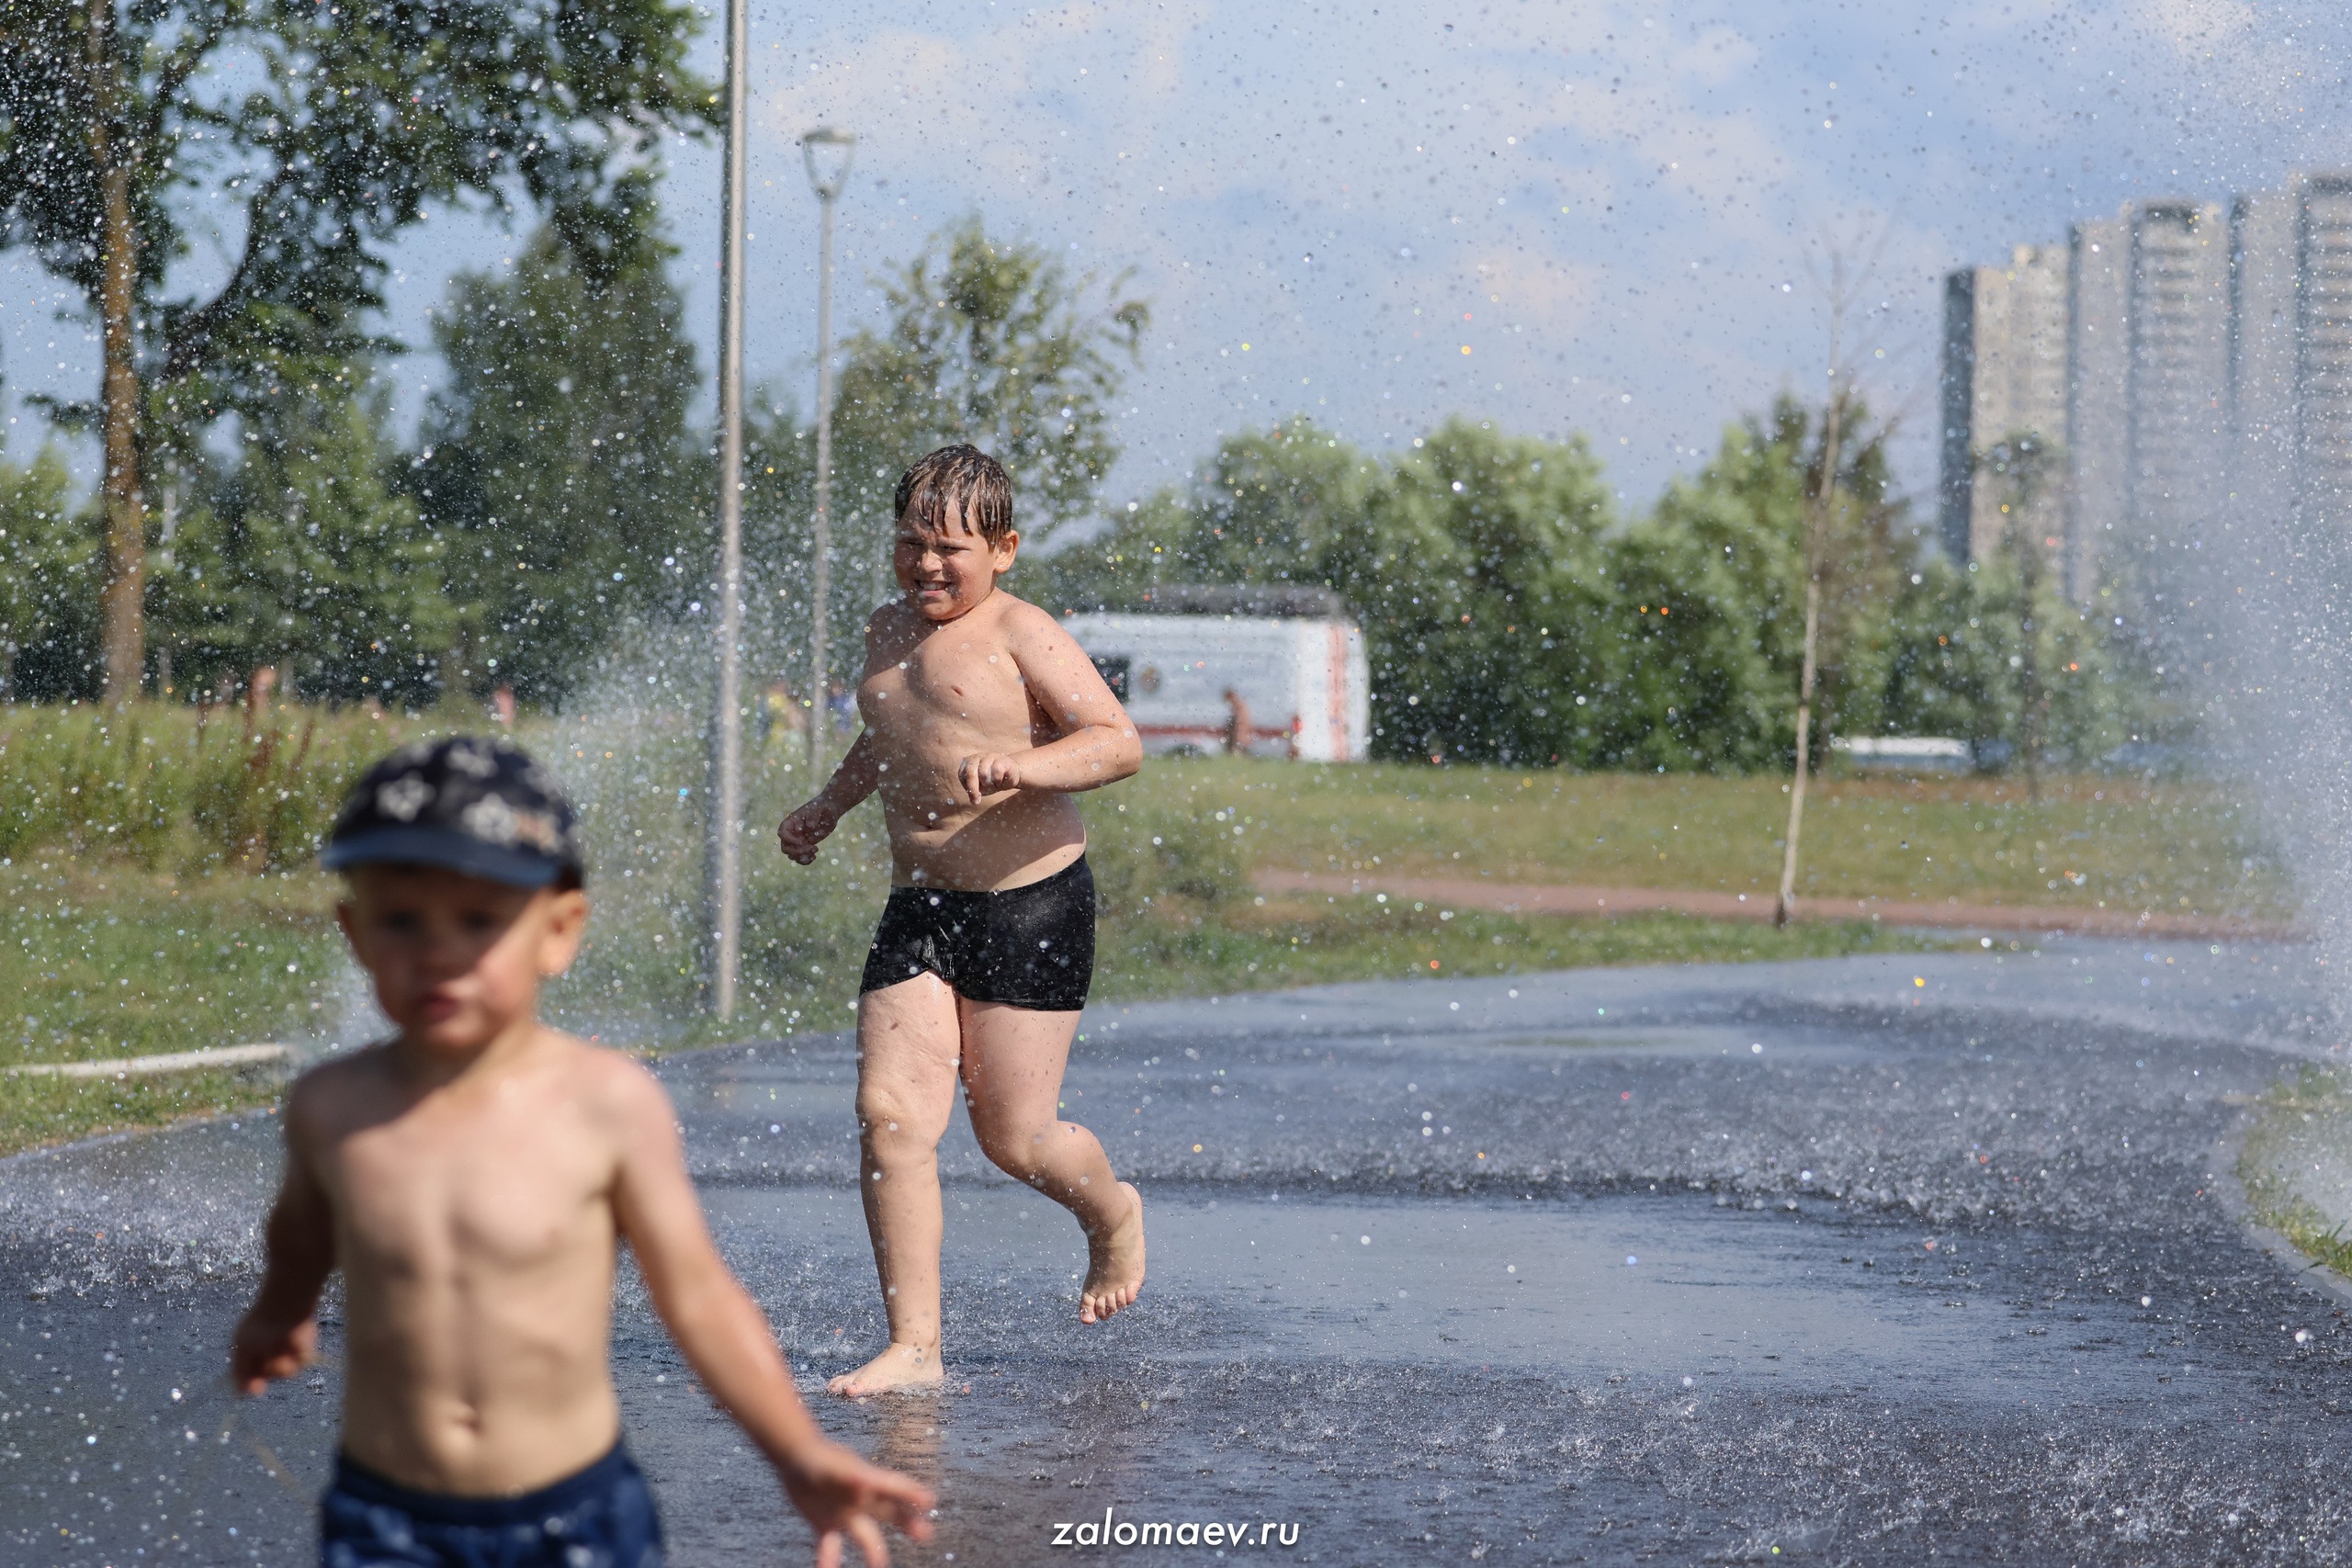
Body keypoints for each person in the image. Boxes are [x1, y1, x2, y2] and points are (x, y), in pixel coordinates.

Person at [232, 736, 933, 1567]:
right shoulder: (333, 1105)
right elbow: (303, 1229)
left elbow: (699, 1299)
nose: (439, 951)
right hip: (387, 1517)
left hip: (574, 1515)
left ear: (558, 932)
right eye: (401, 920)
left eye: (480, 920)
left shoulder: (604, 1104)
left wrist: (797, 1451)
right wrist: (280, 1312)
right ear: (354, 932)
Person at [775, 445, 1147, 1399]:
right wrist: (829, 804)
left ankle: (1110, 1216)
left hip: (1031, 902)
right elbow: (891, 731)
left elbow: (1115, 743)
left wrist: (1030, 767)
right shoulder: (884, 629)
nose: (929, 566)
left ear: (1004, 549)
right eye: (911, 544)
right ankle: (915, 1346)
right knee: (889, 1116)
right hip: (919, 904)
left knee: (1014, 1141)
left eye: (951, 549)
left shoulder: (1023, 632)